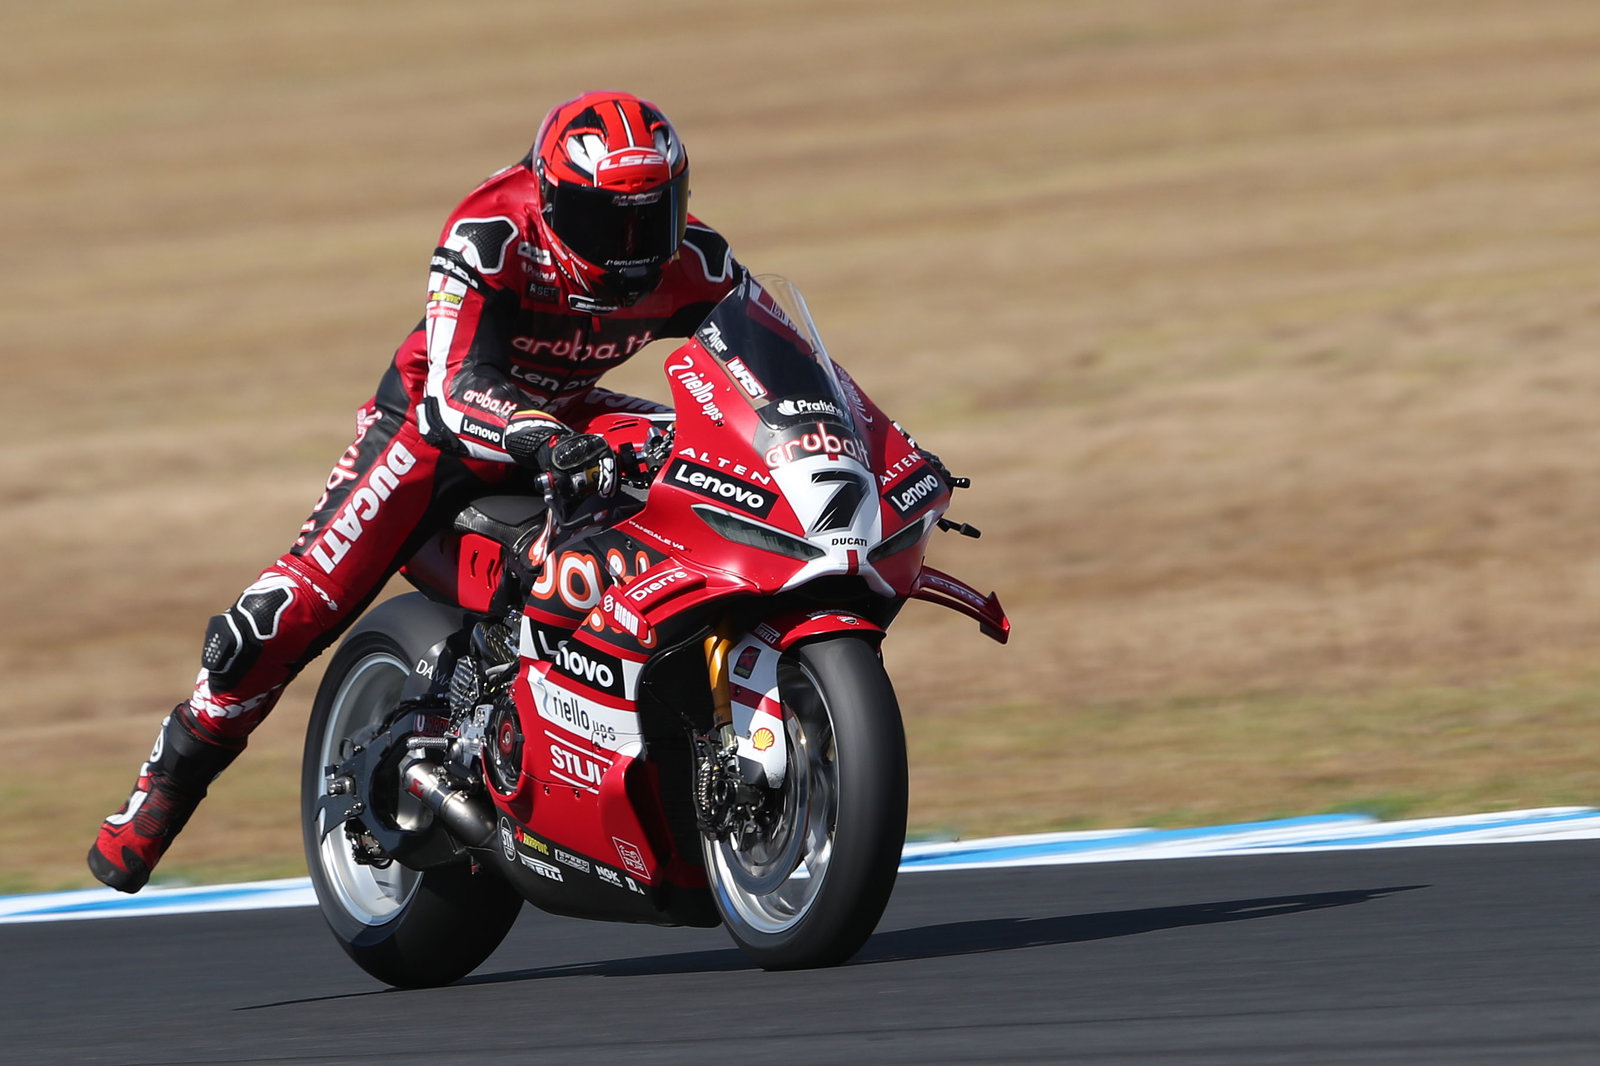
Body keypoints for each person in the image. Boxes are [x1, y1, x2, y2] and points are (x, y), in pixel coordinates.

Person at [88, 90, 747, 893]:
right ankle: (166, 782)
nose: (635, 249)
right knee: (272, 623)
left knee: (715, 469)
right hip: (435, 435)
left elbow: (769, 371)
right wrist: (535, 433)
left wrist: (856, 437)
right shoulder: (492, 234)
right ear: (552, 199)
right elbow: (455, 384)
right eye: (610, 224)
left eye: (655, 216)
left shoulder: (699, 261)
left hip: (573, 421)